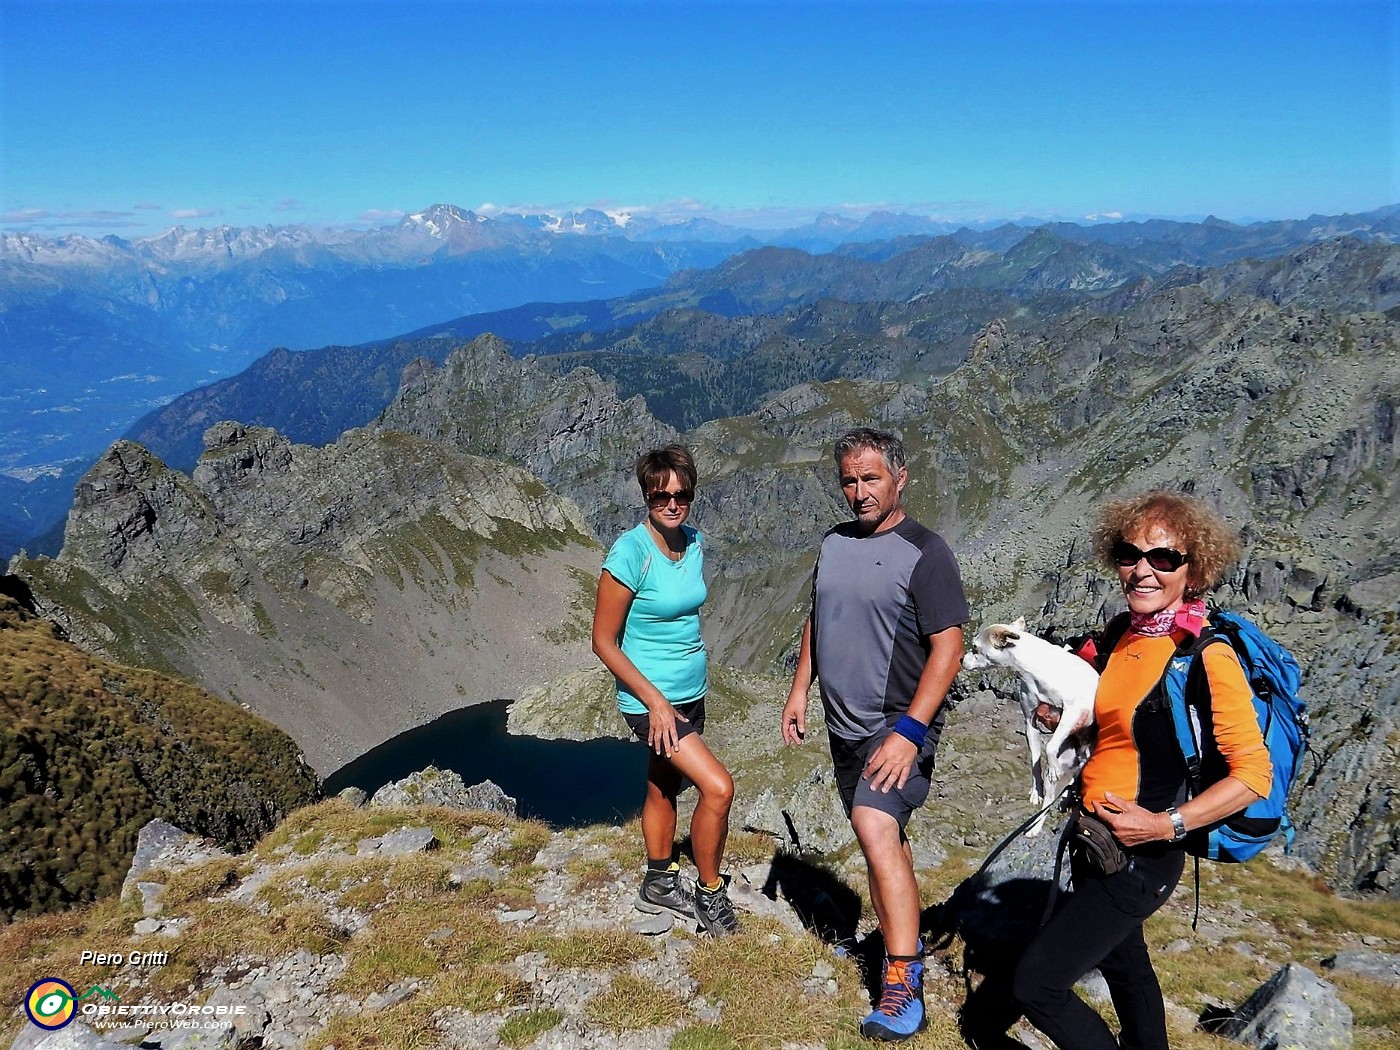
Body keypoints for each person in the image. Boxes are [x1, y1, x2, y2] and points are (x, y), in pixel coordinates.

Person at [1011, 490, 1273, 1050]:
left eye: (1164, 559)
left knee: (1036, 985)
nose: (1143, 570)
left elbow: (1253, 775)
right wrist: (1064, 719)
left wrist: (1164, 826)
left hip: (1144, 856)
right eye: (1131, 554)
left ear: (1192, 569)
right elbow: (1118, 724)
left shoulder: (1205, 655)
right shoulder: (1120, 635)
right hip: (1095, 839)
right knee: (1126, 969)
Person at [781, 427, 968, 1042]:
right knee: (884, 841)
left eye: (871, 479)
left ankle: (902, 980)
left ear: (900, 478)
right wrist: (798, 689)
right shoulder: (834, 543)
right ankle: (895, 939)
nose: (859, 492)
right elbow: (818, 617)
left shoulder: (927, 552)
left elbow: (949, 647)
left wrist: (911, 731)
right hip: (843, 726)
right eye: (849, 480)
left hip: (894, 725)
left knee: (874, 825)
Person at [591, 444, 738, 937]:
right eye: (661, 497)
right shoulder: (629, 553)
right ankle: (710, 892)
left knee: (662, 782)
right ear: (646, 497)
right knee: (718, 788)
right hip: (651, 701)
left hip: (691, 691)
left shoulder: (693, 541)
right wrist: (655, 701)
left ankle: (658, 879)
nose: (673, 505)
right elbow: (603, 642)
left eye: (683, 495)